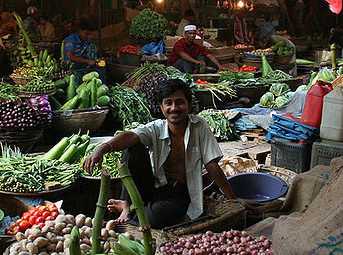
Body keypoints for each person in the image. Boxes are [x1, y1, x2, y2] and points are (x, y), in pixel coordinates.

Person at [82, 79, 238, 228]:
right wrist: (101, 148)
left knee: (156, 217)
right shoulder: (156, 128)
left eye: (180, 102)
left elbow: (211, 165)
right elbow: (130, 135)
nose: (174, 108)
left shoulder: (199, 126)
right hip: (153, 186)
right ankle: (127, 204)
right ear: (162, 108)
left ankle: (136, 210)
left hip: (179, 193)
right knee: (133, 149)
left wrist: (233, 200)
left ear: (189, 106)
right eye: (168, 103)